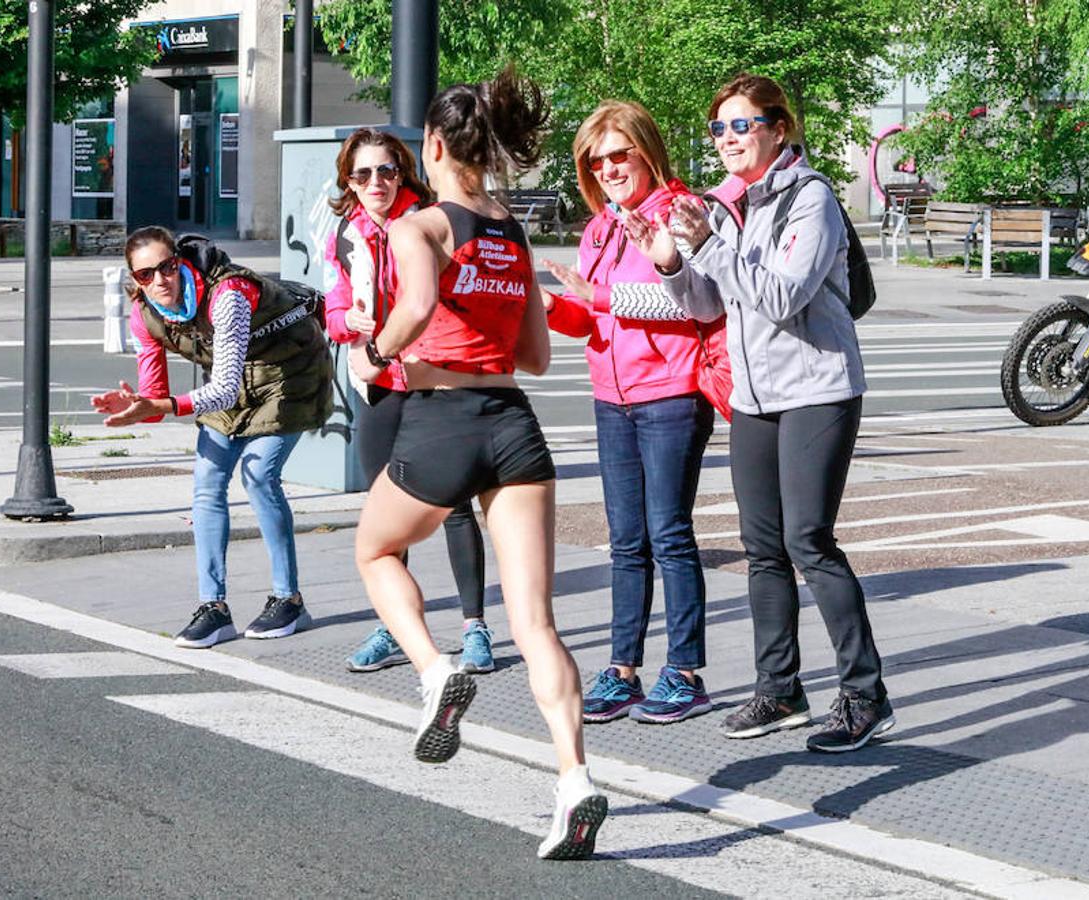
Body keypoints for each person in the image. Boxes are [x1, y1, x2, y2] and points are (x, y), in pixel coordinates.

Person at [348, 67, 607, 860]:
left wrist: (375, 349)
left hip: (441, 421)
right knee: (534, 622)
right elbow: (535, 356)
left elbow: (418, 308)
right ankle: (575, 781)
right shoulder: (509, 230)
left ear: (430, 146)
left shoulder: (420, 224)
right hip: (513, 425)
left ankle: (432, 671)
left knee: (376, 549)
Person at [624, 73, 894, 753]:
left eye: (741, 126)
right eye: (718, 129)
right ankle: (778, 690)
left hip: (816, 389)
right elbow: (710, 306)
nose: (727, 141)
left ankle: (864, 695)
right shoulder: (725, 207)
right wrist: (667, 263)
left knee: (809, 540)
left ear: (778, 129)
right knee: (762, 549)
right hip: (753, 395)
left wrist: (711, 244)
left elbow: (780, 298)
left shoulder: (811, 200)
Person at [542, 100, 715, 726]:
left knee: (669, 534)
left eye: (620, 154)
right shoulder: (600, 228)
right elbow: (591, 316)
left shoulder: (681, 212)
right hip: (612, 396)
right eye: (598, 159)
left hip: (670, 392)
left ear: (646, 148)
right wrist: (551, 308)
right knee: (626, 541)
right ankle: (622, 670)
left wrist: (601, 295)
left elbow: (689, 305)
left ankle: (685, 672)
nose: (610, 168)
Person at [91, 227, 333, 649]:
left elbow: (218, 390)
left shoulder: (229, 295)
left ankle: (288, 599)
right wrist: (133, 406)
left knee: (259, 475)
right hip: (229, 384)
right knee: (206, 485)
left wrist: (161, 406)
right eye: (146, 275)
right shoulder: (145, 314)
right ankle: (214, 609)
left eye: (167, 267)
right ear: (135, 279)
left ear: (180, 261)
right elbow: (156, 399)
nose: (160, 280)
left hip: (288, 373)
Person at [324, 127, 495, 676]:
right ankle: (395, 627)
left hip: (432, 380)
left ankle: (475, 628)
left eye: (387, 171)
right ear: (348, 181)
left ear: (403, 172)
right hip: (375, 382)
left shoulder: (430, 222)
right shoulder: (346, 235)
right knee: (385, 515)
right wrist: (344, 320)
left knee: (453, 505)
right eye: (363, 174)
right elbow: (335, 304)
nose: (376, 183)